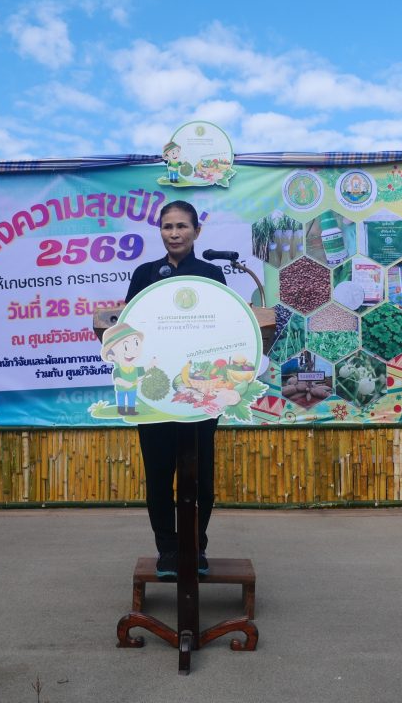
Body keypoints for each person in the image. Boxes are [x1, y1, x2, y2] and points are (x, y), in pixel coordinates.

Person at [125, 199, 225, 579]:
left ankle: (195, 547)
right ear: (160, 232)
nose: (175, 233)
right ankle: (167, 550)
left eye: (182, 226)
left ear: (197, 231)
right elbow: (127, 328)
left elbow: (224, 327)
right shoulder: (145, 273)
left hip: (202, 391)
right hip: (153, 392)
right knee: (158, 473)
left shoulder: (212, 274)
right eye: (168, 227)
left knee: (201, 477)